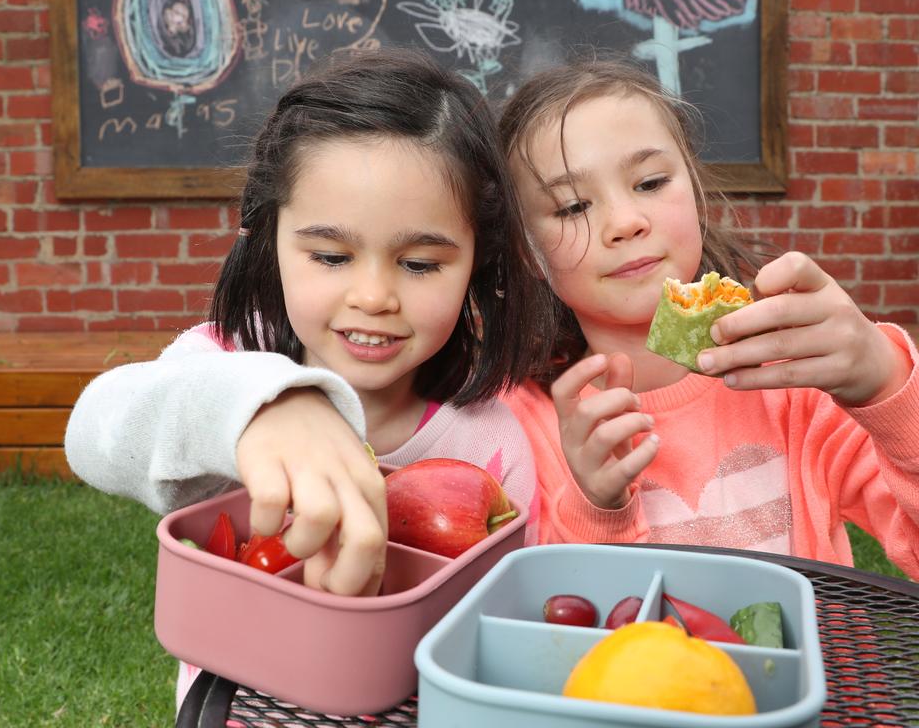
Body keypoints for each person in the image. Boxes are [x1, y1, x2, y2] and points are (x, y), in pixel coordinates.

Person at [65, 48, 551, 597]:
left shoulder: (492, 445)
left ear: (478, 260)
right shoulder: (228, 361)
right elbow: (93, 433)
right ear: (269, 235)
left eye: (419, 264)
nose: (372, 297)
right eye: (329, 256)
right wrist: (262, 409)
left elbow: (503, 616)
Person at [497, 57, 919, 579]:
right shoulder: (519, 424)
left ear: (696, 193)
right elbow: (551, 628)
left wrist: (887, 387)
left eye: (650, 183)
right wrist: (597, 510)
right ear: (527, 251)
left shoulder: (796, 380)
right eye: (572, 207)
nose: (626, 222)